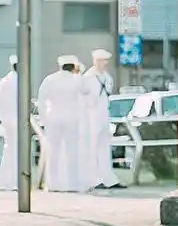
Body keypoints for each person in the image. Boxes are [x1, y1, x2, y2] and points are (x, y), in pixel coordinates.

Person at [37, 55, 87, 193]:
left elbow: (41, 101)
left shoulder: (50, 79)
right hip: (72, 117)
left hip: (53, 117)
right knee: (72, 151)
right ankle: (72, 183)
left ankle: (52, 184)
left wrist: (44, 119)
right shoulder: (77, 80)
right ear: (74, 67)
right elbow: (86, 95)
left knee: (53, 151)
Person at [82, 49, 121, 189]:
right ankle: (94, 179)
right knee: (92, 147)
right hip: (91, 115)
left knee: (104, 147)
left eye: (105, 60)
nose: (104, 63)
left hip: (104, 114)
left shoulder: (107, 77)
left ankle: (108, 178)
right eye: (101, 60)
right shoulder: (88, 77)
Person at [0, 55, 18, 191]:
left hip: (6, 121)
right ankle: (14, 181)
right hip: (16, 120)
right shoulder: (20, 81)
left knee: (9, 150)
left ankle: (5, 181)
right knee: (16, 152)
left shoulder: (3, 82)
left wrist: (3, 119)